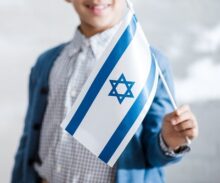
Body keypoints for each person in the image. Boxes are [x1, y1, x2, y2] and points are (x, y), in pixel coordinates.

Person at [11, 0, 199, 183]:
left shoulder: (148, 64)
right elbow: (29, 138)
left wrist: (169, 141)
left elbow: (153, 154)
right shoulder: (47, 62)